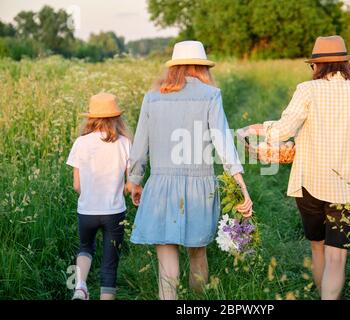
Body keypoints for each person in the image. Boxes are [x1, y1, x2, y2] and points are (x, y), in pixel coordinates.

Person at [249, 35, 350, 299]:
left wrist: (264, 129)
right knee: (337, 256)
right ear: (345, 64)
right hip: (348, 185)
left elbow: (284, 130)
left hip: (311, 182)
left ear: (316, 66)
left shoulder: (307, 90)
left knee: (317, 248)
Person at [128, 41, 253, 300]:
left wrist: (135, 181)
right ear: (202, 67)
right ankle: (198, 303)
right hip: (200, 188)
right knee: (197, 255)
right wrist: (240, 184)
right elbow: (223, 143)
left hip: (161, 186)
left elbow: (140, 144)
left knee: (166, 257)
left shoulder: (152, 97)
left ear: (173, 67)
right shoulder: (210, 95)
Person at [66, 93, 132, 300]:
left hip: (87, 210)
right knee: (110, 264)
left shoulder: (81, 142)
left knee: (86, 247)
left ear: (91, 117)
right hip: (114, 212)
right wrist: (120, 190)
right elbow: (130, 184)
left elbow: (77, 185)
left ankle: (81, 286)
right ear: (116, 117)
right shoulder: (124, 143)